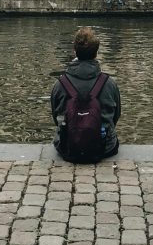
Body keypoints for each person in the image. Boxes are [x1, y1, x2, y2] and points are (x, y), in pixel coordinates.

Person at [51, 26, 121, 163]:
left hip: (67, 145)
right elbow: (116, 116)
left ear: (75, 51)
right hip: (104, 146)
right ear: (96, 53)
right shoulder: (109, 83)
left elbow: (55, 115)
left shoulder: (60, 84)